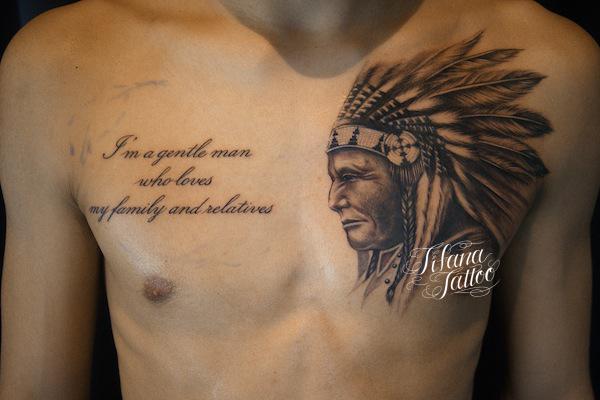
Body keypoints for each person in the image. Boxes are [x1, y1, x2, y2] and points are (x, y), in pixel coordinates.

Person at [0, 0, 598, 399]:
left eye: (354, 176)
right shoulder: (66, 65)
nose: (335, 200)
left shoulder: (550, 67)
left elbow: (555, 388)